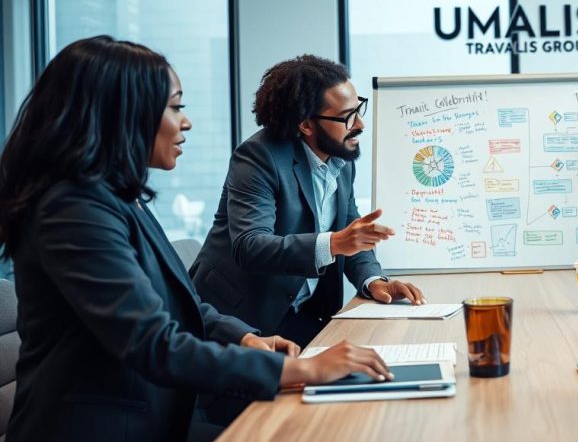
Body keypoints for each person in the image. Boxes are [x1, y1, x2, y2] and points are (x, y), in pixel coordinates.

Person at [0, 37, 393, 441]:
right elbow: (153, 342)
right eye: (175, 107)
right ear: (122, 113)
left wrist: (242, 336)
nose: (185, 122)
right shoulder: (72, 211)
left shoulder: (119, 198)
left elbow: (178, 304)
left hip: (155, 414)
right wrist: (300, 369)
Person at [190, 55, 424, 349]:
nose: (360, 124)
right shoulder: (258, 158)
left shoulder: (341, 158)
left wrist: (374, 281)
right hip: (240, 320)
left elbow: (353, 233)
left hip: (305, 315)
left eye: (359, 109)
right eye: (347, 116)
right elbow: (250, 245)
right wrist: (335, 243)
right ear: (305, 124)